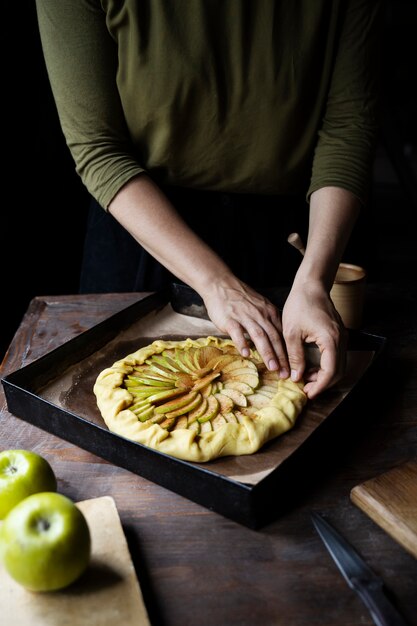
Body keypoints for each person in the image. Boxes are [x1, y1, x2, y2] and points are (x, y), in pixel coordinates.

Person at [35, 0, 382, 399]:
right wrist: (215, 284)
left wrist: (313, 281)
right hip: (143, 224)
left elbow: (348, 129)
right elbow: (97, 147)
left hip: (301, 228)